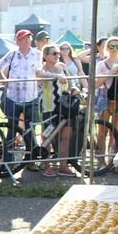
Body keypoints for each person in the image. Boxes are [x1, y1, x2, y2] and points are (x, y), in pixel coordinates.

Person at [0, 29, 43, 168]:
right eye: (23, 39)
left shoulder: (37, 54)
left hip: (31, 97)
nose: (26, 41)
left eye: (28, 38)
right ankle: (8, 162)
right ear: (17, 41)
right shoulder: (12, 55)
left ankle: (30, 161)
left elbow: (40, 70)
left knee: (30, 130)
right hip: (13, 97)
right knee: (12, 130)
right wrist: (4, 81)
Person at [35, 47, 79, 178]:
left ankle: (63, 166)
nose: (57, 56)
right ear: (45, 55)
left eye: (58, 53)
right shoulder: (41, 68)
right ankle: (47, 165)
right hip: (49, 107)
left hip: (65, 107)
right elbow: (41, 75)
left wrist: (75, 89)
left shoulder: (62, 66)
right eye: (54, 53)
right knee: (48, 137)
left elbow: (72, 83)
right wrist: (56, 76)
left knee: (65, 137)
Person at [95, 36, 118, 163]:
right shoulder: (101, 64)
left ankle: (112, 159)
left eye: (117, 46)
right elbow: (97, 83)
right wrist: (111, 72)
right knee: (102, 130)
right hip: (104, 96)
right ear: (107, 48)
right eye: (111, 46)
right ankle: (101, 160)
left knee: (114, 130)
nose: (114, 49)